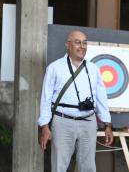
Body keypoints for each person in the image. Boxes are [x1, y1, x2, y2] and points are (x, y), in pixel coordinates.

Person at [38, 30, 114, 172]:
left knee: (88, 166)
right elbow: (46, 98)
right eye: (77, 42)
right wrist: (44, 125)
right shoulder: (54, 68)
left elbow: (101, 98)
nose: (82, 46)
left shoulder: (93, 69)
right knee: (59, 166)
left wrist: (107, 124)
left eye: (85, 43)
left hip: (89, 122)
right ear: (68, 45)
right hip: (62, 122)